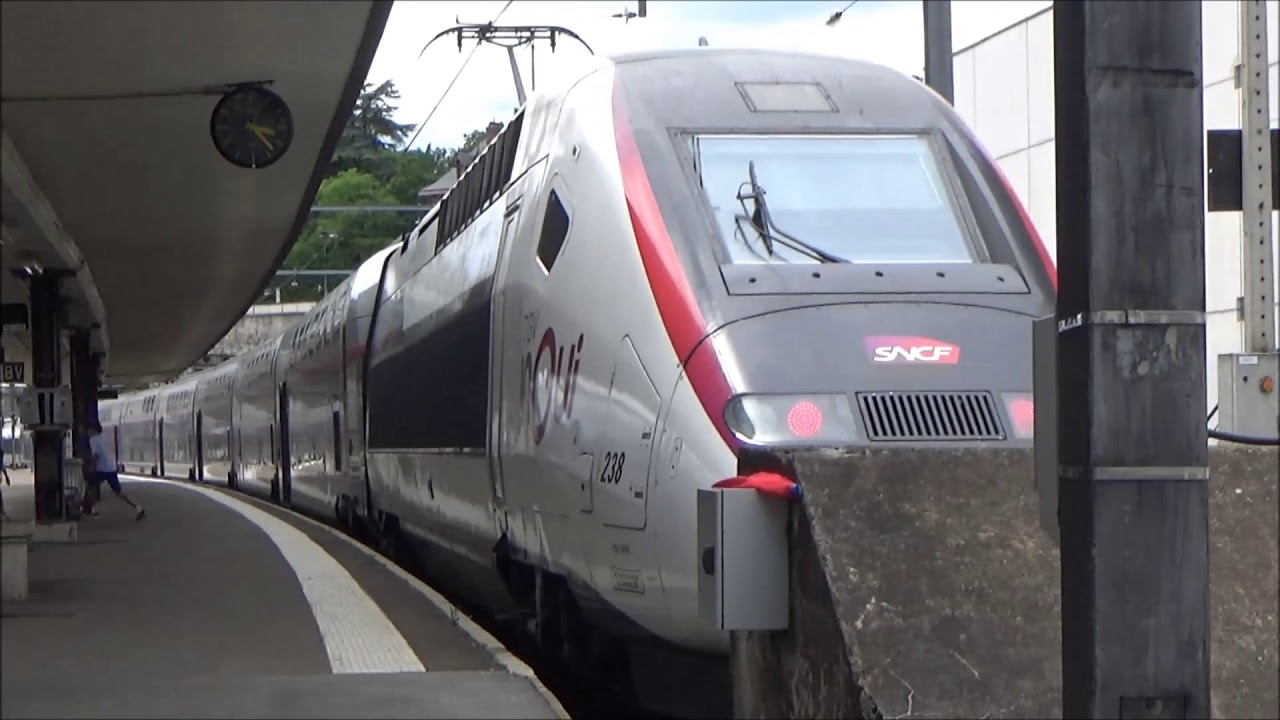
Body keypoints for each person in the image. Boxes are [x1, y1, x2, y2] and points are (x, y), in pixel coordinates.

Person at [85, 422, 145, 520]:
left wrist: (92, 467)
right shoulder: (102, 438)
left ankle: (92, 509)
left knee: (89, 485)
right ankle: (138, 507)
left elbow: (96, 455)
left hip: (102, 469)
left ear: (93, 430)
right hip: (111, 469)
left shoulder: (93, 439)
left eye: (88, 430)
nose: (87, 432)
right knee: (119, 492)